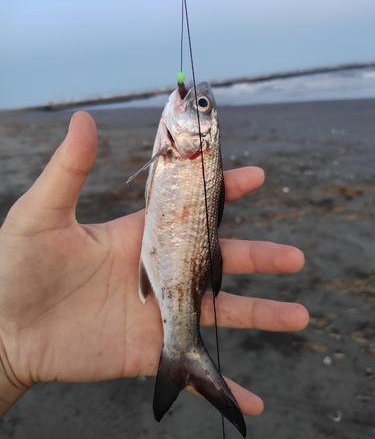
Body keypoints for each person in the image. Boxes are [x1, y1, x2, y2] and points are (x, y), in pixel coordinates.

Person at [0, 111, 309, 417]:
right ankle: (182, 352)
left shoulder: (185, 149)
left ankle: (182, 350)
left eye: (201, 106)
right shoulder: (178, 147)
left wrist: (9, 356)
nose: (189, 102)